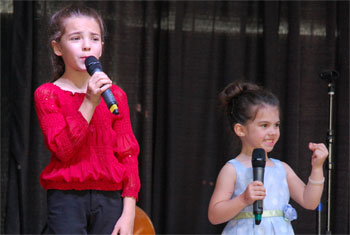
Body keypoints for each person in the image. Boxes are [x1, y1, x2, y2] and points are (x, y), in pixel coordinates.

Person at [34, 5, 140, 235]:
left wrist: (129, 214)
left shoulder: (117, 96)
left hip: (110, 200)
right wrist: (90, 102)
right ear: (57, 47)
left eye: (94, 38)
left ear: (101, 47)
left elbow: (128, 154)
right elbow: (62, 149)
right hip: (67, 199)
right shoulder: (47, 94)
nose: (86, 45)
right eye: (75, 38)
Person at [208, 81, 328, 234]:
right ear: (240, 129)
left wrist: (317, 168)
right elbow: (214, 215)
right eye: (264, 125)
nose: (273, 132)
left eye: (276, 125)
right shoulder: (232, 169)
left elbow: (310, 201)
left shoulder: (282, 168)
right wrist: (243, 199)